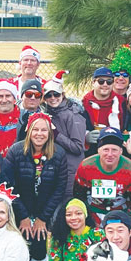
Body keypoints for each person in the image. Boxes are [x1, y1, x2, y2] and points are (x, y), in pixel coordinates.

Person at [4, 112, 68, 261]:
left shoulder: (59, 154)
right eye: (35, 130)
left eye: (44, 130)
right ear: (29, 130)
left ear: (50, 132)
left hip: (44, 209)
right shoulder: (15, 151)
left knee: (39, 245)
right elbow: (8, 186)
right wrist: (24, 216)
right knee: (20, 244)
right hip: (20, 208)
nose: (39, 134)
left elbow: (59, 189)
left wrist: (42, 218)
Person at [73, 127, 131, 227]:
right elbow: (78, 196)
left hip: (120, 214)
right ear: (98, 150)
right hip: (92, 213)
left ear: (121, 151)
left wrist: (127, 226)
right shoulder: (85, 167)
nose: (110, 154)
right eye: (105, 149)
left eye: (114, 150)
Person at [43, 71, 87, 199]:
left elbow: (78, 147)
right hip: (55, 168)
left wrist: (56, 134)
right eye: (48, 95)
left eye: (56, 94)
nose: (53, 98)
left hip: (71, 170)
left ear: (62, 94)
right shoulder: (49, 113)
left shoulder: (72, 115)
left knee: (67, 204)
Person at [0, 78, 21, 157]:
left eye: (8, 96)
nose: (4, 100)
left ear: (14, 98)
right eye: (0, 96)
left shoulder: (24, 118)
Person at [82, 67, 124, 131]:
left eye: (109, 81)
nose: (105, 84)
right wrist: (86, 135)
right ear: (93, 82)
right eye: (101, 81)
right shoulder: (84, 104)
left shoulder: (121, 102)